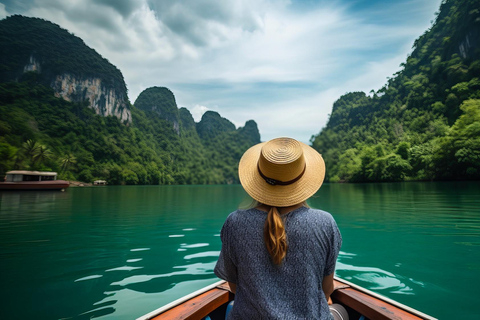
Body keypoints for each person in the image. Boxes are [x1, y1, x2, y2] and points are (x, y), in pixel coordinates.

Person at [214, 137, 345, 319]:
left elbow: (235, 286)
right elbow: (326, 289)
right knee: (342, 312)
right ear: (302, 180)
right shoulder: (325, 223)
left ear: (257, 179)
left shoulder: (234, 222)